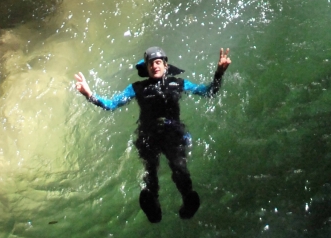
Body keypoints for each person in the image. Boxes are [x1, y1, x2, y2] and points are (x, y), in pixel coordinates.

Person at [74, 47, 231, 223]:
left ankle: (188, 199)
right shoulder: (137, 88)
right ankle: (153, 205)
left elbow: (208, 92)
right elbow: (111, 105)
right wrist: (89, 94)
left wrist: (219, 73)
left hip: (173, 133)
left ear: (165, 65)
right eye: (150, 64)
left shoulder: (179, 84)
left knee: (180, 169)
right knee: (151, 173)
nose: (154, 66)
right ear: (146, 68)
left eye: (157, 63)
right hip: (149, 135)